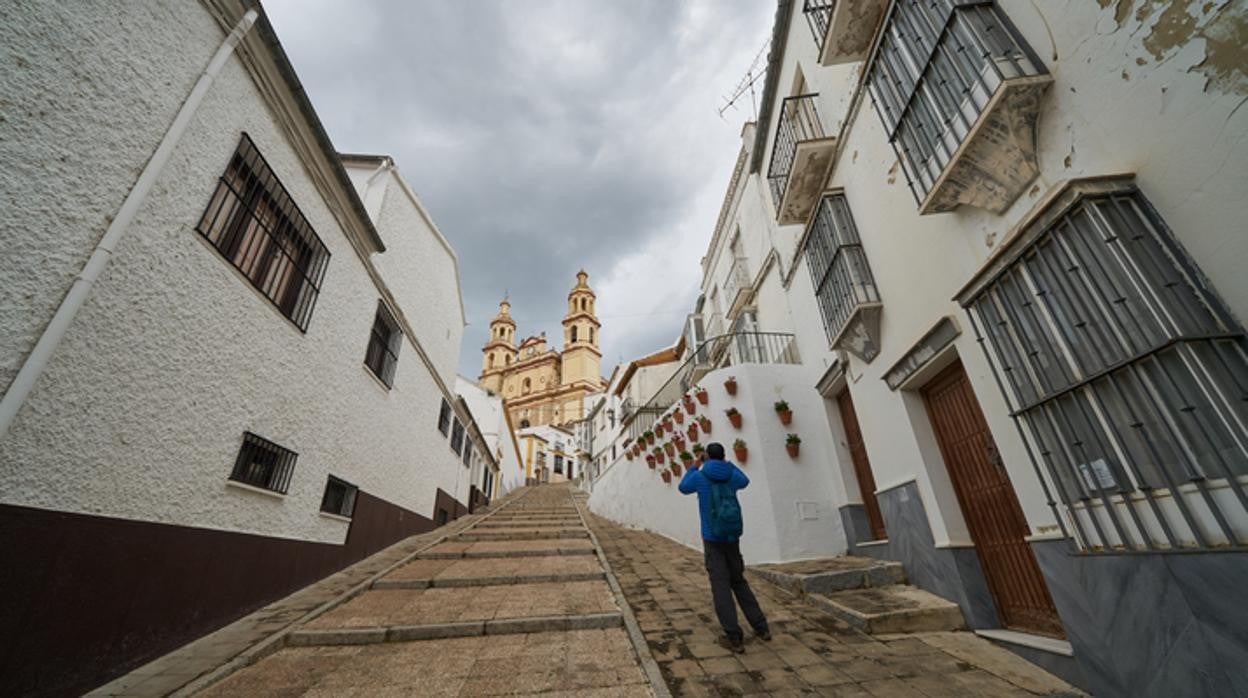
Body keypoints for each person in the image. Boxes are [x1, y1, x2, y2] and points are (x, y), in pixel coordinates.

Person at [678, 441, 770, 653]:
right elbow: (745, 481)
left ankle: (734, 637)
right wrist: (728, 464)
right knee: (738, 581)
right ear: (723, 455)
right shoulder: (730, 475)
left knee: (720, 586)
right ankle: (761, 627)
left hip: (712, 538)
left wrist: (694, 465)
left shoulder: (700, 477)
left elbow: (683, 487)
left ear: (706, 457)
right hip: (732, 537)